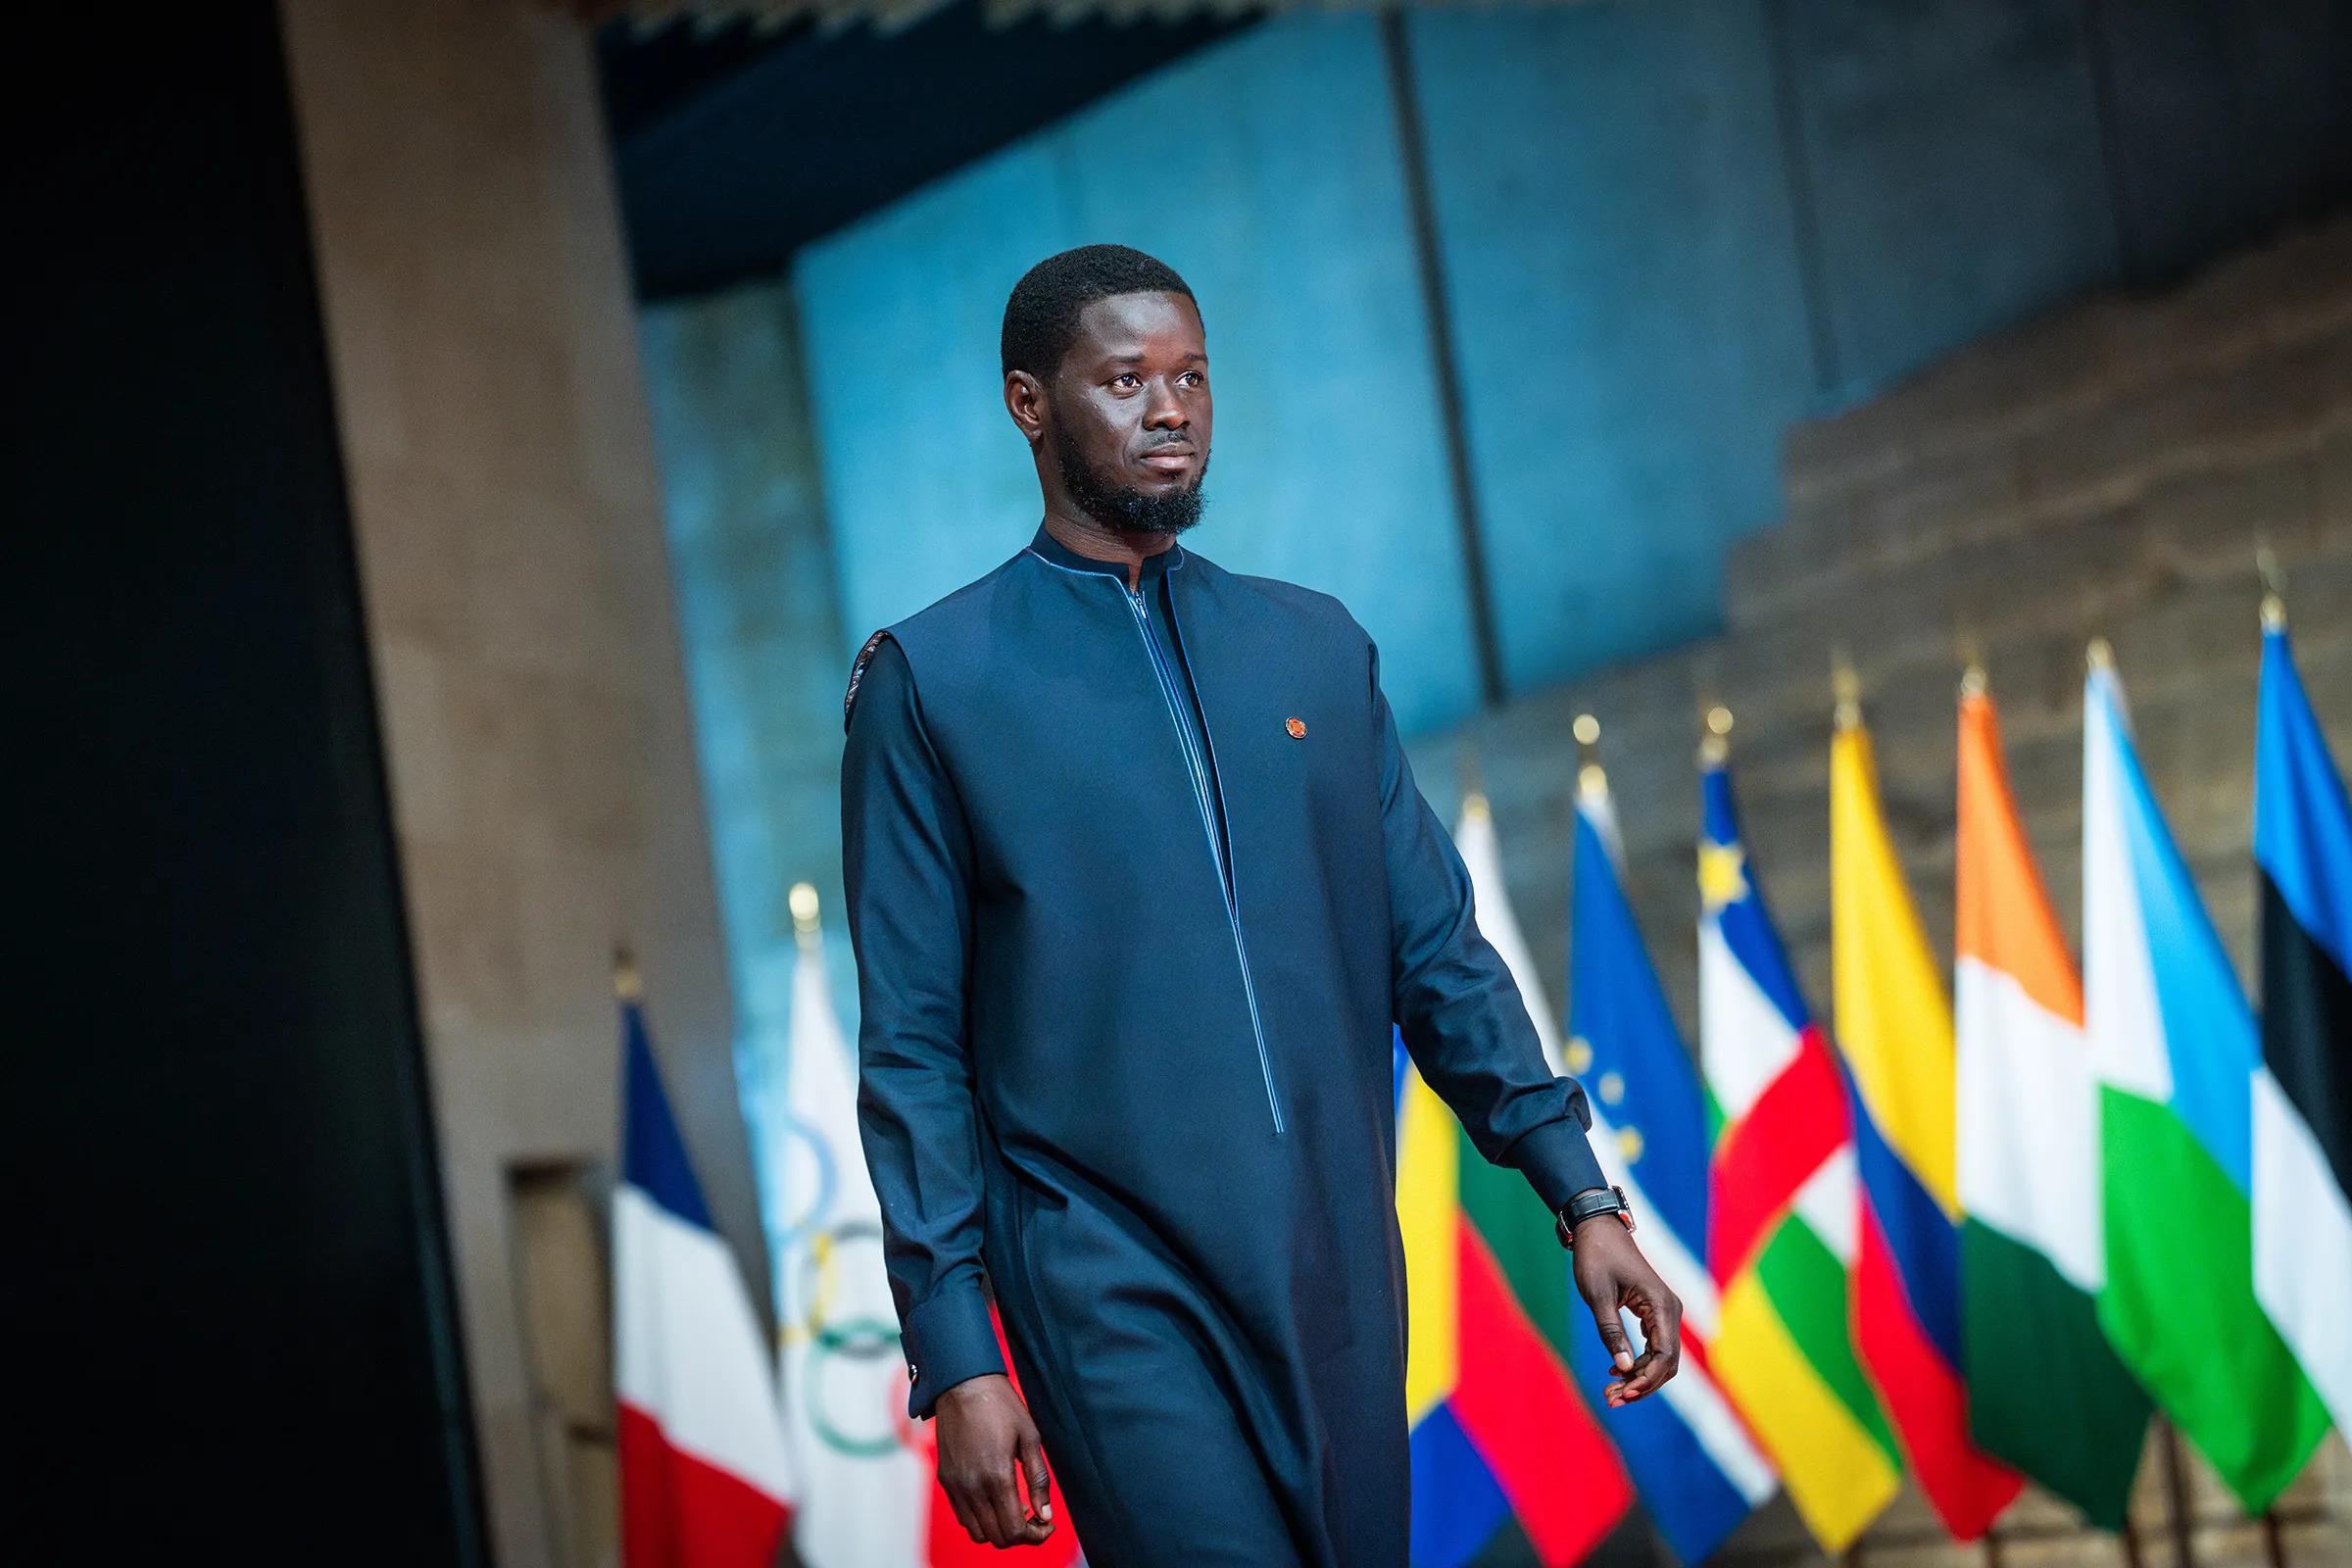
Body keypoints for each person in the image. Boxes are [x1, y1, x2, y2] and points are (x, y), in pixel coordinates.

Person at [840, 243, 1681, 1565]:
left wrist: (1583, 1196)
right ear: (1029, 404)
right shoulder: (932, 681)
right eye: (1125, 380)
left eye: (1191, 377)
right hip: (1108, 1282)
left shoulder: (1313, 648)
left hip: (1338, 1263)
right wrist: (956, 1352)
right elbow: (913, 1049)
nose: (1170, 410)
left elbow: (1436, 953)